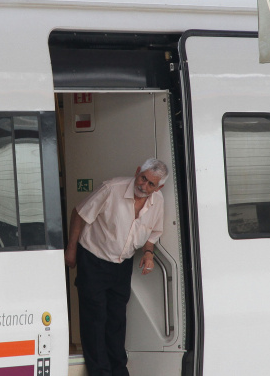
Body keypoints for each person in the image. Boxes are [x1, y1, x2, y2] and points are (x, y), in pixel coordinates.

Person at [64, 158, 168, 376]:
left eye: (151, 184)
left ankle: (119, 371)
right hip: (93, 259)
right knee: (95, 320)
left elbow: (153, 233)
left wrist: (149, 253)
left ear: (160, 187)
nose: (144, 186)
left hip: (122, 264)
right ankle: (100, 372)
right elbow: (79, 213)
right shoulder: (112, 188)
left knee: (117, 320)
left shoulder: (157, 201)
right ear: (138, 171)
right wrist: (71, 249)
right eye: (143, 179)